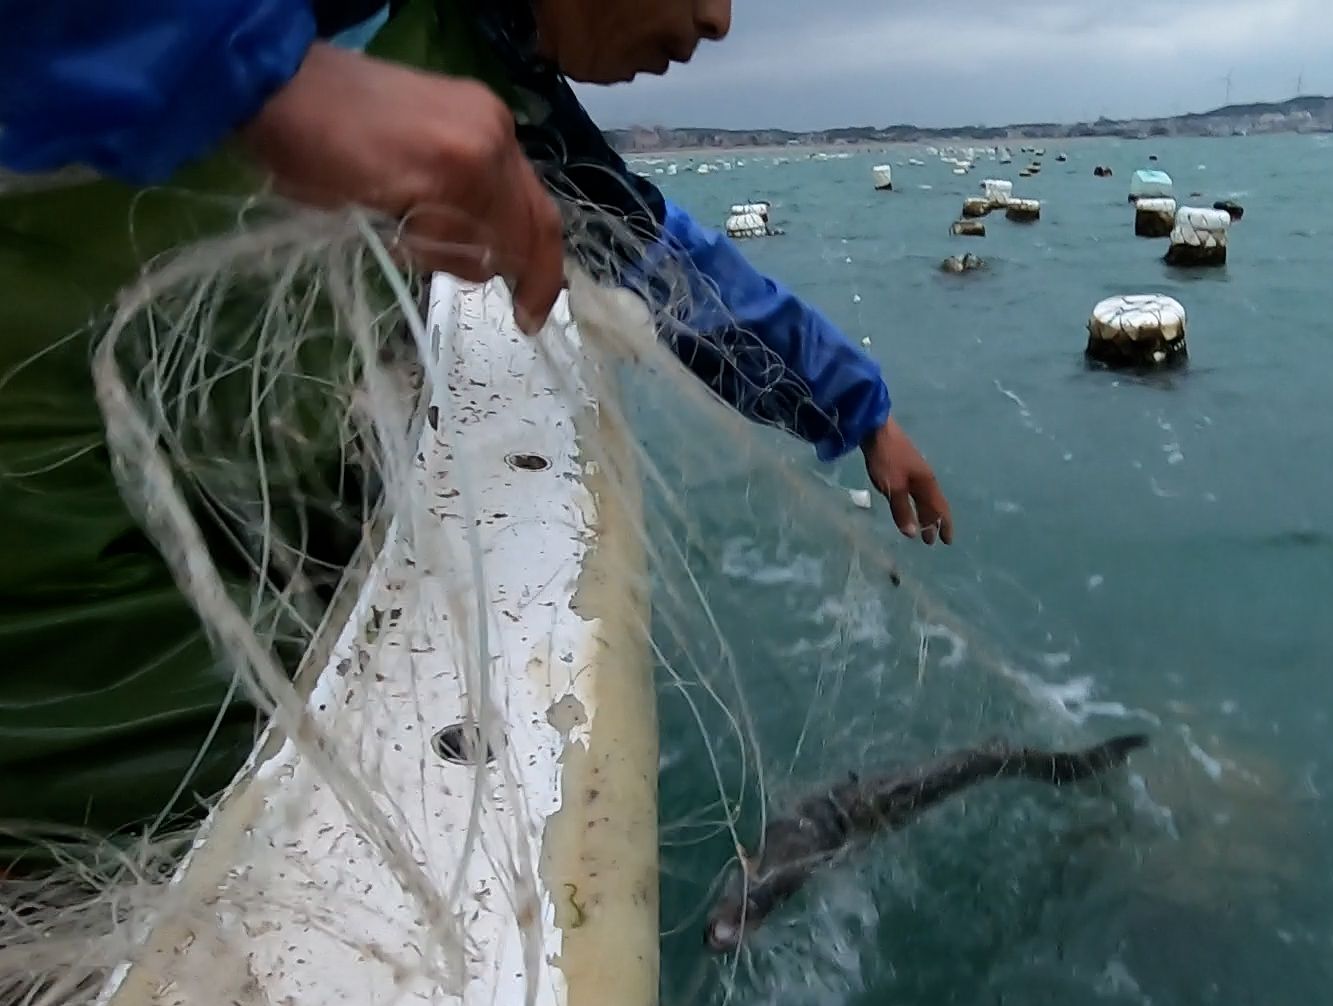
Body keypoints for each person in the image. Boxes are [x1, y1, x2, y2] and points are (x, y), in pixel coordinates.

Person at [0, 0, 951, 863]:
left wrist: (858, 409)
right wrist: (254, 75)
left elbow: (672, 272)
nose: (718, 20)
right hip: (57, 574)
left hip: (250, 503)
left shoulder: (497, 80)